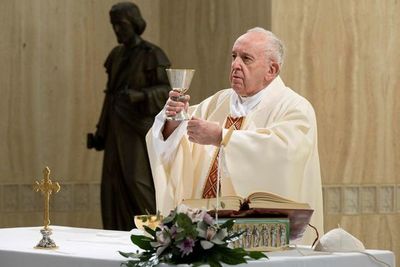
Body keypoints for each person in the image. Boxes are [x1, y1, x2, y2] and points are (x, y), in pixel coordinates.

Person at [146, 27, 323, 243]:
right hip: (205, 231)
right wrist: (173, 121)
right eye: (233, 56)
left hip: (262, 236)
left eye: (246, 59)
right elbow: (171, 144)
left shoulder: (294, 107)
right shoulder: (218, 102)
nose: (235, 65)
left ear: (271, 70)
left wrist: (223, 137)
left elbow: (285, 153)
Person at [87, 1, 171, 231]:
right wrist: (101, 133)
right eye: (113, 25)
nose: (117, 30)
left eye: (121, 24)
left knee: (137, 182)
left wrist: (141, 96)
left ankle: (157, 234)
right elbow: (110, 96)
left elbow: (168, 91)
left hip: (138, 131)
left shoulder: (152, 54)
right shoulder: (116, 56)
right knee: (112, 187)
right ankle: (116, 235)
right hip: (116, 129)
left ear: (134, 23)